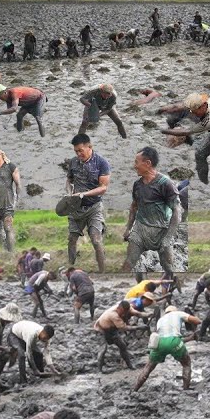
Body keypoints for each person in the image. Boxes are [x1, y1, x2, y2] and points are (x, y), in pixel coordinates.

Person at [122, 147, 183, 276]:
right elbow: (134, 207)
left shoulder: (165, 184)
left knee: (168, 267)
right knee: (128, 263)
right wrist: (128, 228)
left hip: (162, 231)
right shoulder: (137, 185)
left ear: (148, 163)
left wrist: (167, 238)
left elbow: (177, 213)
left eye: (136, 162)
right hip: (141, 230)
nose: (134, 166)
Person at [160, 93, 210, 183]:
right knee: (199, 154)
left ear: (203, 106)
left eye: (195, 111)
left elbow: (186, 132)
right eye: (191, 111)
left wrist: (163, 131)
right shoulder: (202, 100)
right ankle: (204, 182)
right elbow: (179, 106)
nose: (193, 113)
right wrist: (161, 110)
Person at [66, 134, 111, 272]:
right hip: (76, 208)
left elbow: (103, 188)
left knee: (96, 240)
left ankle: (102, 271)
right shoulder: (73, 162)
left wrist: (83, 194)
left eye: (81, 150)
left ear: (89, 147)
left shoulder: (102, 163)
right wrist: (69, 193)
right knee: (72, 239)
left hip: (94, 207)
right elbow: (69, 180)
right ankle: (71, 268)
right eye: (76, 151)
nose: (79, 154)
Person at [133, 306, 200, 392]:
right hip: (174, 342)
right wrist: (198, 319)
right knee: (186, 364)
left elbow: (167, 339)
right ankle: (186, 388)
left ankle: (135, 389)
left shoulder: (161, 320)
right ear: (174, 311)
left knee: (148, 367)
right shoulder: (177, 314)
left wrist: (190, 338)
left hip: (159, 343)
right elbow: (196, 322)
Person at [94, 301, 143, 372]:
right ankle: (99, 370)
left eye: (125, 312)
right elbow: (124, 328)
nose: (123, 314)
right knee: (103, 349)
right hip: (101, 330)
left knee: (122, 345)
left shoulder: (125, 310)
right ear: (119, 308)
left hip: (112, 330)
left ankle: (130, 365)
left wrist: (148, 315)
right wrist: (138, 327)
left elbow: (138, 313)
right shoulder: (113, 315)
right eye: (122, 312)